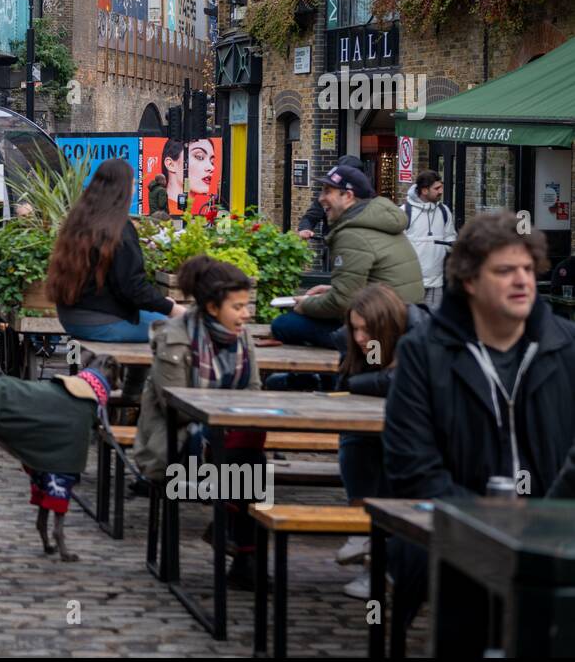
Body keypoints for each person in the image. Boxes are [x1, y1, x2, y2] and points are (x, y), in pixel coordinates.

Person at [383, 211, 575, 654]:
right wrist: (488, 527)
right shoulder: (426, 352)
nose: (522, 281)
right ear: (469, 280)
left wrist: (542, 525)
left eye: (527, 269)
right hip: (455, 526)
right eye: (505, 271)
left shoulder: (565, 347)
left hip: (555, 534)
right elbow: (411, 465)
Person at [133, 255, 263, 589]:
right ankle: (243, 551)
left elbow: (254, 390)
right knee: (247, 458)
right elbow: (174, 402)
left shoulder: (243, 338)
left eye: (246, 306)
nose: (245, 315)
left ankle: (238, 543)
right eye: (237, 307)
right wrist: (226, 420)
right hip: (178, 442)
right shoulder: (175, 336)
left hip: (227, 437)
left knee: (247, 451)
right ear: (211, 306)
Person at [332, 283, 430, 598]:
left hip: (430, 439)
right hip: (376, 431)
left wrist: (368, 381)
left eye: (366, 330)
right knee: (356, 434)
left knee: (392, 447)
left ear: (387, 324)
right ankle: (365, 535)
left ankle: (377, 552)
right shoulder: (360, 344)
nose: (359, 338)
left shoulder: (420, 333)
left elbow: (402, 383)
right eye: (355, 329)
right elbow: (348, 383)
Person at [270, 164, 423, 348]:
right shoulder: (377, 221)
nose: (321, 199)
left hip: (378, 335)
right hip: (400, 321)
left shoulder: (352, 234)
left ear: (348, 196)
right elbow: (371, 283)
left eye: (328, 191)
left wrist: (305, 305)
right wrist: (330, 290)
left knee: (283, 325)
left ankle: (330, 373)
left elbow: (342, 303)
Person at [48, 157, 184, 345]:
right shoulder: (119, 228)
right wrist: (171, 308)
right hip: (103, 321)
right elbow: (132, 288)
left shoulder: (79, 221)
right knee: (182, 328)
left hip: (70, 318)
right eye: (133, 184)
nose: (134, 190)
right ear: (122, 189)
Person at [403, 169, 456, 309]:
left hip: (436, 281)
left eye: (441, 187)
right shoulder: (404, 212)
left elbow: (450, 236)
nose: (441, 191)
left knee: (432, 323)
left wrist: (450, 245)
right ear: (424, 190)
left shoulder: (444, 211)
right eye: (437, 188)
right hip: (411, 282)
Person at [296, 154, 362, 241]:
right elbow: (310, 217)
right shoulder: (327, 199)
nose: (321, 198)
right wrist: (305, 228)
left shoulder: (368, 204)